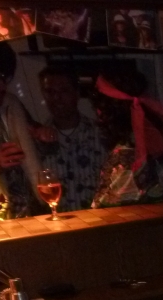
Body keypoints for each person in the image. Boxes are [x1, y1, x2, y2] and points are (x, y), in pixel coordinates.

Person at [89, 69, 163, 208]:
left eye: (100, 107)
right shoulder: (153, 141)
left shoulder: (125, 155)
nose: (98, 113)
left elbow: (106, 208)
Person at [0, 41, 45, 217]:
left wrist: (44, 138)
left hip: (33, 211)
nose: (1, 86)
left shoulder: (11, 104)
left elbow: (34, 155)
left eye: (4, 77)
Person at [38, 65, 107, 212]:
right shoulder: (36, 141)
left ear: (76, 93)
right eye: (50, 92)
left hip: (99, 219)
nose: (57, 98)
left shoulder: (101, 134)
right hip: (59, 222)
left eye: (64, 91)